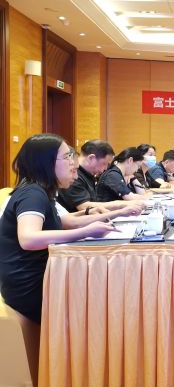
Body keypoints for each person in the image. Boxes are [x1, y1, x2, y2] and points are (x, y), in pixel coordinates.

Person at [0, 134, 119, 325]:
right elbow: (28, 238)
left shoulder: (41, 191)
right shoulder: (32, 193)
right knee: (105, 293)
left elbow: (65, 222)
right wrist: (86, 232)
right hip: (30, 287)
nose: (72, 163)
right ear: (45, 162)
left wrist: (108, 217)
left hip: (41, 277)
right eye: (66, 157)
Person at [57, 139, 136, 213]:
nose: (105, 169)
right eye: (104, 163)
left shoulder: (89, 175)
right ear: (91, 158)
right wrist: (121, 205)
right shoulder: (72, 176)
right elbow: (84, 206)